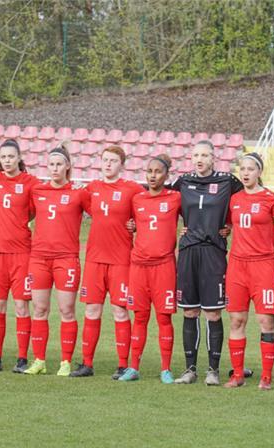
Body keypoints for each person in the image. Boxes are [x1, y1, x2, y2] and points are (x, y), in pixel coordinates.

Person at [171, 140, 274, 386]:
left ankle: (218, 370)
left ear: (214, 158)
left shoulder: (228, 182)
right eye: (196, 155)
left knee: (216, 313)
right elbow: (162, 203)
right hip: (190, 251)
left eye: (205, 155)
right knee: (190, 311)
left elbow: (250, 200)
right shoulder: (182, 182)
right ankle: (191, 369)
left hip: (217, 253)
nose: (200, 159)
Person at [224, 153, 274, 390]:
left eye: (250, 169)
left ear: (259, 172)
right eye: (242, 169)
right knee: (236, 321)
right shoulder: (233, 199)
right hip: (236, 266)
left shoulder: (272, 200)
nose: (245, 173)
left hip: (263, 266)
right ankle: (237, 375)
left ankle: (266, 377)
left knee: (266, 321)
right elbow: (223, 225)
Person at [73, 145, 142, 378]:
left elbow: (146, 212)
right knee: (92, 309)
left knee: (120, 311)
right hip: (94, 259)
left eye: (113, 160)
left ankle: (123, 364)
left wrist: (135, 224)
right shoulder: (90, 188)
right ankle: (86, 363)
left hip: (121, 259)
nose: (108, 164)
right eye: (105, 160)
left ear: (121, 164)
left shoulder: (132, 189)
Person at [25, 144, 91, 376]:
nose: (54, 168)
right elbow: (24, 214)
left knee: (66, 310)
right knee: (40, 309)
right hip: (39, 258)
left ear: (68, 166)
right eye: (51, 164)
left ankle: (65, 361)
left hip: (66, 259)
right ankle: (39, 360)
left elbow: (102, 214)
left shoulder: (79, 192)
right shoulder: (38, 191)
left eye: (59, 164)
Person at [118, 155, 181, 383]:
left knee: (164, 318)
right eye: (149, 171)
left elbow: (196, 213)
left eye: (157, 171)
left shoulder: (175, 198)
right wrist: (130, 225)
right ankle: (133, 368)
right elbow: (128, 222)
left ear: (166, 175)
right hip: (139, 267)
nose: (153, 175)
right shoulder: (137, 199)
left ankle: (165, 369)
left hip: (163, 266)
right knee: (140, 317)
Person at [0, 139, 40, 373]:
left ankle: (22, 358)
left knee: (21, 306)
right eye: (3, 157)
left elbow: (36, 210)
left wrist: (17, 224)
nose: (7, 161)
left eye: (11, 157)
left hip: (21, 253)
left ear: (19, 158)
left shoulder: (30, 183)